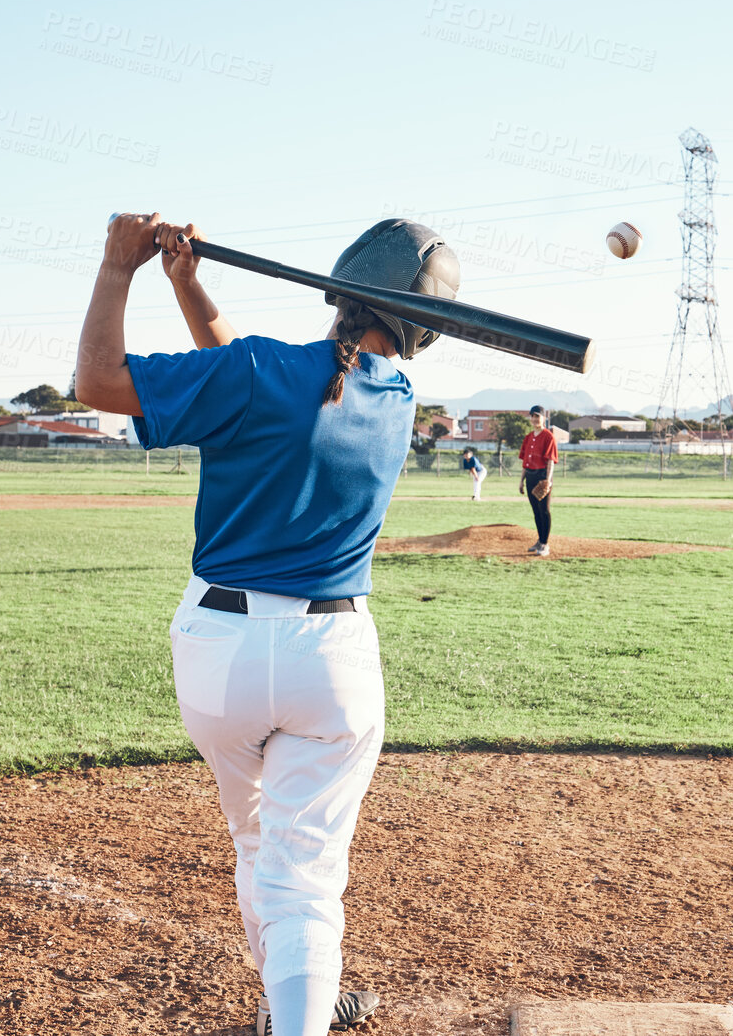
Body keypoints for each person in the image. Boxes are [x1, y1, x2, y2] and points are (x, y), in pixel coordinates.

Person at [74, 212, 462, 1036]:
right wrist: (189, 286)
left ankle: (296, 994)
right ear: (422, 331)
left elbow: (100, 384)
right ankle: (300, 1005)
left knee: (258, 844)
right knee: (305, 875)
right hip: (332, 661)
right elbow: (265, 379)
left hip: (220, 657)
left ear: (340, 287)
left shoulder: (258, 372)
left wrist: (119, 269)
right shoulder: (396, 398)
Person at [518, 405, 557, 555]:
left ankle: (545, 544)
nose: (534, 419)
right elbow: (524, 462)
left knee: (544, 511)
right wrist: (521, 481)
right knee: (536, 511)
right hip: (530, 476)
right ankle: (540, 540)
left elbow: (550, 461)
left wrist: (548, 480)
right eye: (532, 416)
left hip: (542, 475)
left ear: (544, 418)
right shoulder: (528, 437)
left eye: (537, 416)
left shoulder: (548, 436)